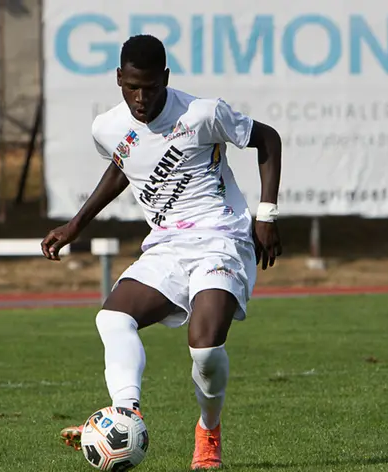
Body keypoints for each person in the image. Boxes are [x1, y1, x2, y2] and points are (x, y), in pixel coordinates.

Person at [40, 34, 283, 470]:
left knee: (204, 349)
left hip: (222, 238)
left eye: (150, 87)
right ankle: (125, 415)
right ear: (118, 78)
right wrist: (75, 225)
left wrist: (266, 215)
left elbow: (268, 139)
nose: (141, 97)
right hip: (167, 244)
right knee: (112, 318)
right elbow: (124, 165)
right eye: (132, 87)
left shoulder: (203, 113)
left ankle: (208, 429)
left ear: (165, 79)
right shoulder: (107, 127)